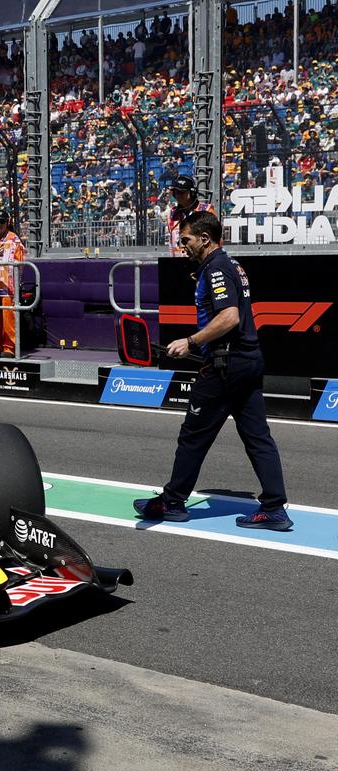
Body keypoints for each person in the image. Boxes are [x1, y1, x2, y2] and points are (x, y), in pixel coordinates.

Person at [133, 211, 292, 532]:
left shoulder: (217, 268)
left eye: (187, 240)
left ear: (205, 239)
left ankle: (172, 502)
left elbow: (229, 317)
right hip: (247, 360)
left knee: (193, 435)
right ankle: (275, 508)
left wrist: (191, 341)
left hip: (226, 364)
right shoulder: (230, 264)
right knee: (257, 436)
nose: (182, 247)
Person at [0, 210, 26, 356]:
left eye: (1, 222)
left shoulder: (14, 240)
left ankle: (9, 348)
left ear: (7, 222)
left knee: (8, 317)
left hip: (8, 286)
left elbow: (19, 263)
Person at [166, 175, 216, 257]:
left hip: (201, 262)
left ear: (192, 193)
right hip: (177, 263)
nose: (178, 195)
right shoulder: (171, 213)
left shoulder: (206, 210)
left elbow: (216, 239)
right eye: (176, 192)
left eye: (182, 192)